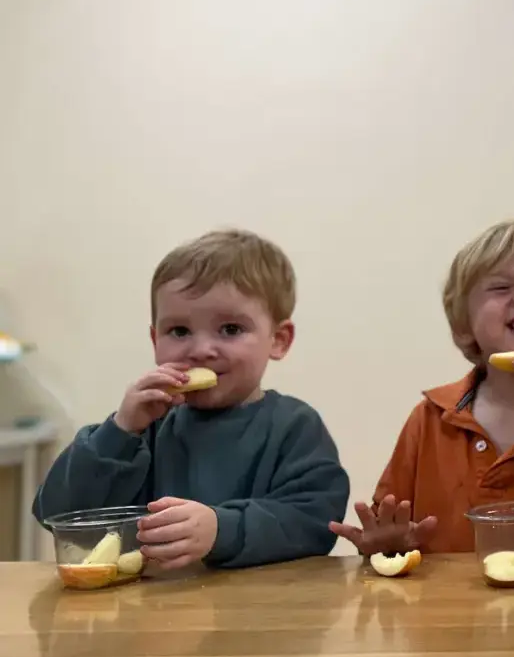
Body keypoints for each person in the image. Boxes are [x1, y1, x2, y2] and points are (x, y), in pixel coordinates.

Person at [33, 229, 349, 570]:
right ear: (155, 341)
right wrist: (119, 431)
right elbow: (57, 517)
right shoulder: (143, 429)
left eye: (230, 329)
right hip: (153, 615)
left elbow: (315, 523)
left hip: (262, 613)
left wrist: (220, 530)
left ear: (278, 340)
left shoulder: (295, 428)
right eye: (179, 331)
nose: (200, 351)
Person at [331, 218, 514, 554]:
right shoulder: (431, 417)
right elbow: (389, 525)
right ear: (464, 327)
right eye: (501, 288)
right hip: (449, 605)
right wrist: (387, 543)